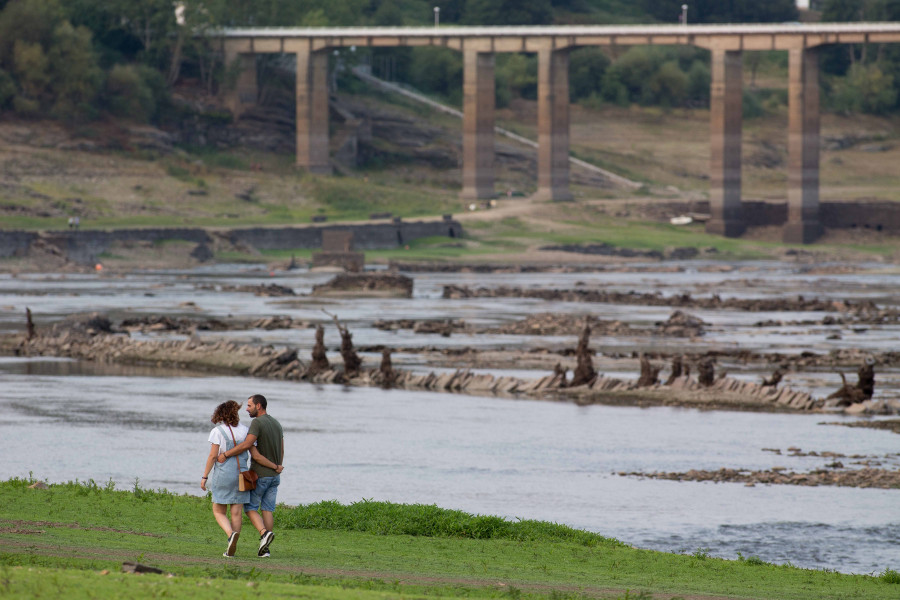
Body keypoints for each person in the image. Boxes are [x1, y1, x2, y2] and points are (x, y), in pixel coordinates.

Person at [201, 400, 279, 557]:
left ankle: (231, 536)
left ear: (220, 414)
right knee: (236, 512)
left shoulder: (217, 431)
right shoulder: (245, 431)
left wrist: (204, 476)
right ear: (235, 413)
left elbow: (212, 456)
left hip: (223, 474)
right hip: (242, 474)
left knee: (218, 510)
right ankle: (233, 541)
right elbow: (253, 453)